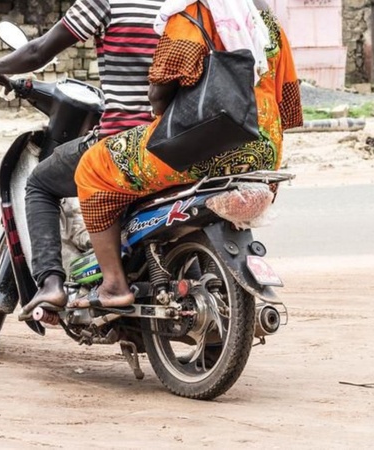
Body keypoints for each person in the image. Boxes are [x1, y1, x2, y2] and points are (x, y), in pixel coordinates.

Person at [71, 0, 303, 308]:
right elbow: (288, 105)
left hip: (204, 144)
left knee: (92, 167)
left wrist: (162, 113)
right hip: (264, 150)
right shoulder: (265, 22)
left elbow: (160, 88)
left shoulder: (194, 12)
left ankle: (113, 284)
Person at [0, 0, 166, 315]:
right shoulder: (179, 5)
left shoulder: (105, 2)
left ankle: (51, 283)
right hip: (173, 142)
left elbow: (38, 51)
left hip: (122, 142)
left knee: (39, 184)